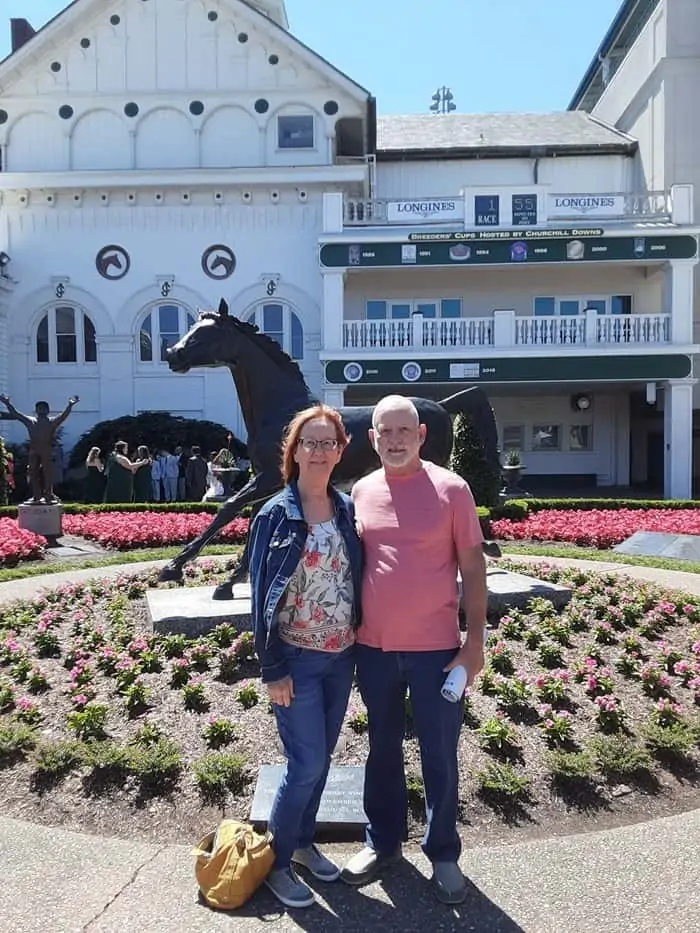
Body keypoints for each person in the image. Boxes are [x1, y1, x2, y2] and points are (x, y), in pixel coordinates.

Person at [341, 395, 487, 906]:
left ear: (422, 436)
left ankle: (443, 853)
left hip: (437, 653)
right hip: (374, 650)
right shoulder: (360, 491)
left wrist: (475, 645)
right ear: (373, 438)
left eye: (406, 430)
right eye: (387, 431)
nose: (396, 439)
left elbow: (473, 568)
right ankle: (381, 843)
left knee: (440, 755)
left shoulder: (452, 489)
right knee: (381, 750)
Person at [248, 404, 362, 910]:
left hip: (342, 657)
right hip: (296, 660)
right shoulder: (275, 514)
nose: (318, 451)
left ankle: (301, 843)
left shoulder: (346, 508)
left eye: (327, 443)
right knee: (306, 761)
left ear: (341, 451)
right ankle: (275, 862)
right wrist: (271, 668)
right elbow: (259, 599)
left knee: (321, 761)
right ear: (293, 451)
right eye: (308, 442)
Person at [0, 394, 78, 502]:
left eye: (43, 408)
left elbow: (63, 416)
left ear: (48, 410)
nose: (41, 410)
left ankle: (48, 494)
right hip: (34, 450)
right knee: (32, 472)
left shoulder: (52, 422)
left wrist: (70, 405)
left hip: (46, 450)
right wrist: (7, 403)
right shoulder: (30, 420)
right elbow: (16, 414)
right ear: (36, 410)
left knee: (47, 473)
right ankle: (36, 495)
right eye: (39, 408)